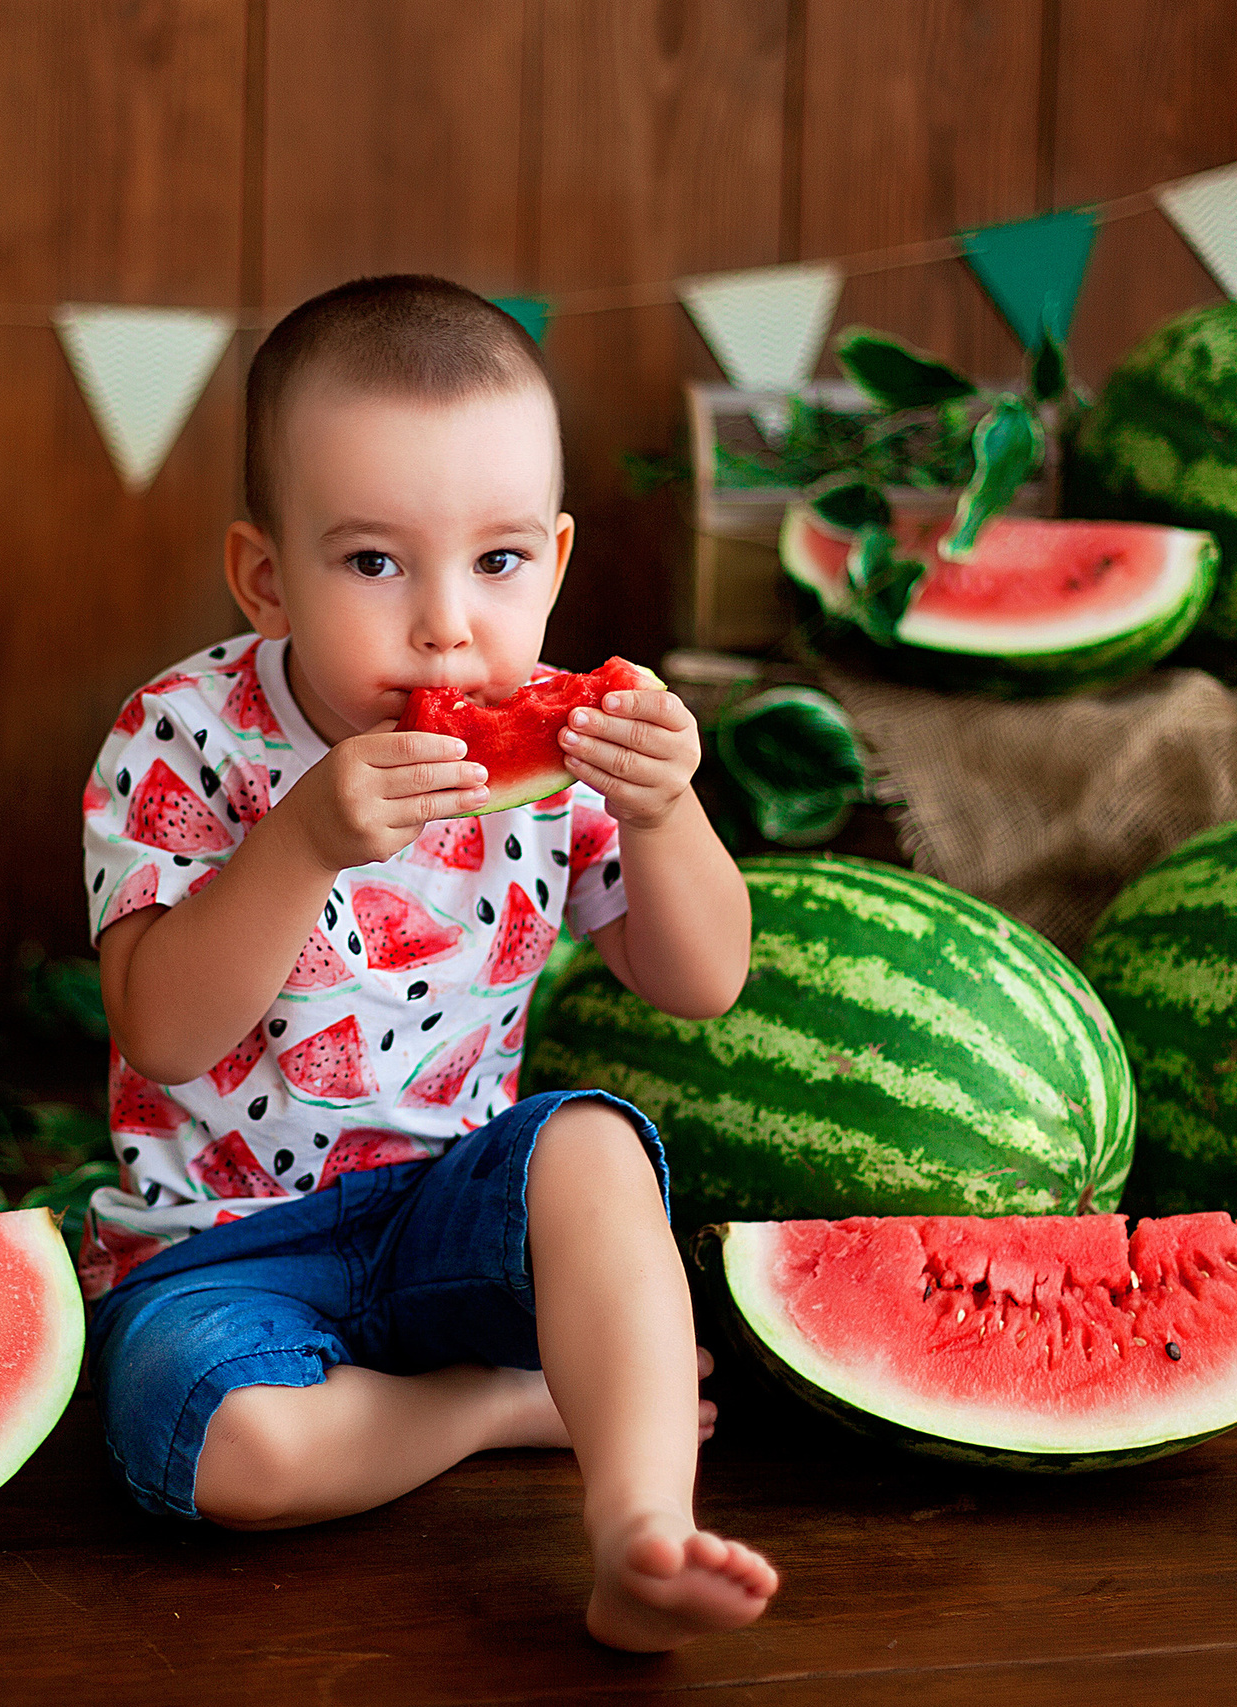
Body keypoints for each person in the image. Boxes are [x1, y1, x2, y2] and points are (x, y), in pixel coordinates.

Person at [79, 274, 776, 1650]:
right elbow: (162, 1031)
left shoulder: (565, 749)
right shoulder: (181, 737)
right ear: (266, 577)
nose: (447, 624)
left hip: (452, 1218)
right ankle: (495, 1407)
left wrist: (664, 811)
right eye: (374, 563)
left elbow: (701, 980)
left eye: (498, 561)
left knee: (592, 1146)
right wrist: (299, 842)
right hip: (221, 1249)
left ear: (557, 561)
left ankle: (640, 1528)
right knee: (204, 1440)